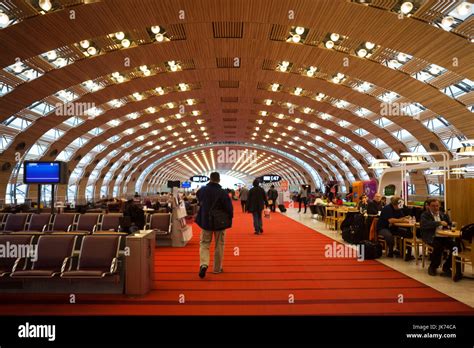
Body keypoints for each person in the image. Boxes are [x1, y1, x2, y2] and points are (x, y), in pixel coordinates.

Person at [195, 172, 233, 278]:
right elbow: (229, 208)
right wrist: (229, 217)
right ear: (219, 180)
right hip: (219, 223)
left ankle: (203, 264)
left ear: (210, 179)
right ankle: (217, 268)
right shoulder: (223, 192)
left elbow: (199, 198)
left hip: (206, 222)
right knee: (219, 244)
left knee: (204, 243)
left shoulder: (202, 190)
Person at [420, 198, 461, 279]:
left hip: (444, 237)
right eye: (433, 206)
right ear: (429, 206)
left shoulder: (443, 215)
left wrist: (450, 225)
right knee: (439, 247)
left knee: (456, 247)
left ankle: (447, 266)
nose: (435, 208)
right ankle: (433, 267)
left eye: (437, 206)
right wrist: (438, 223)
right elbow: (424, 224)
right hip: (432, 237)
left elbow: (449, 224)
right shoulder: (425, 215)